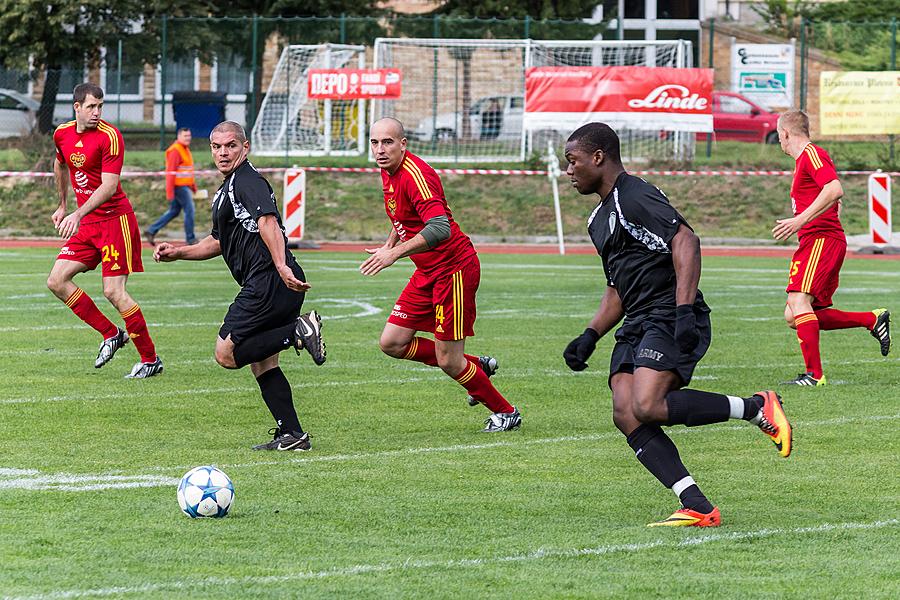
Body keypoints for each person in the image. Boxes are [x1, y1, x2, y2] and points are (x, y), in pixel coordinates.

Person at [562, 122, 792, 527]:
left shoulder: (634, 195)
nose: (569, 170)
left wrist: (685, 310)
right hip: (638, 320)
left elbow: (686, 240)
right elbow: (617, 287)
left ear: (597, 158)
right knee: (626, 412)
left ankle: (757, 407)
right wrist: (590, 334)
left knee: (647, 404)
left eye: (573, 161)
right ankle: (698, 506)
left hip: (669, 311)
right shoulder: (598, 219)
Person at [154, 121, 326, 451]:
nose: (223, 152)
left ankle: (299, 331)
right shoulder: (228, 188)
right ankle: (293, 434)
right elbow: (219, 241)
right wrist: (180, 252)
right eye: (217, 147)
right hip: (272, 281)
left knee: (227, 353)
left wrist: (279, 265)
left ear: (244, 148)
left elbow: (268, 222)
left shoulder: (246, 181)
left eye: (230, 145)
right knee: (263, 362)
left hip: (269, 281)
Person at [361, 117, 521, 432]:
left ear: (403, 144)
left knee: (449, 360)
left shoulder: (416, 175)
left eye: (388, 142)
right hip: (428, 270)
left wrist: (393, 254)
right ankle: (477, 367)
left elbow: (439, 227)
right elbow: (403, 216)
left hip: (454, 269)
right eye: (375, 142)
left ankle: (507, 412)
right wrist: (390, 241)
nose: (380, 149)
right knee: (392, 342)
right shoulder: (388, 171)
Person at [47, 82, 162, 378]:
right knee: (57, 281)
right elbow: (60, 164)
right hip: (87, 224)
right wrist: (62, 205)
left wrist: (77, 212)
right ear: (77, 108)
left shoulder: (110, 137)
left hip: (115, 222)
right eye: (91, 107)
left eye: (100, 106)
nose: (97, 112)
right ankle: (111, 334)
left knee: (113, 291)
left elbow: (110, 186)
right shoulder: (62, 133)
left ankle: (150, 359)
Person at [773, 110, 891, 386]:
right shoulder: (804, 161)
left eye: (779, 135)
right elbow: (828, 194)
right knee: (794, 316)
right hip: (815, 241)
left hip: (822, 240)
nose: (779, 141)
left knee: (799, 303)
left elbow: (834, 188)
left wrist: (800, 220)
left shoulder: (812, 154)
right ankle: (871, 320)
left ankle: (814, 376)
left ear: (785, 133)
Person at [145, 127, 198, 245]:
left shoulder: (185, 149)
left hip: (184, 186)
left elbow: (188, 170)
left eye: (189, 136)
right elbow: (170, 173)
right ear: (178, 137)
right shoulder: (176, 150)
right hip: (179, 187)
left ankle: (151, 230)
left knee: (174, 211)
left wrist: (193, 186)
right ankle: (191, 239)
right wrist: (170, 192)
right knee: (190, 210)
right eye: (185, 136)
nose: (188, 138)